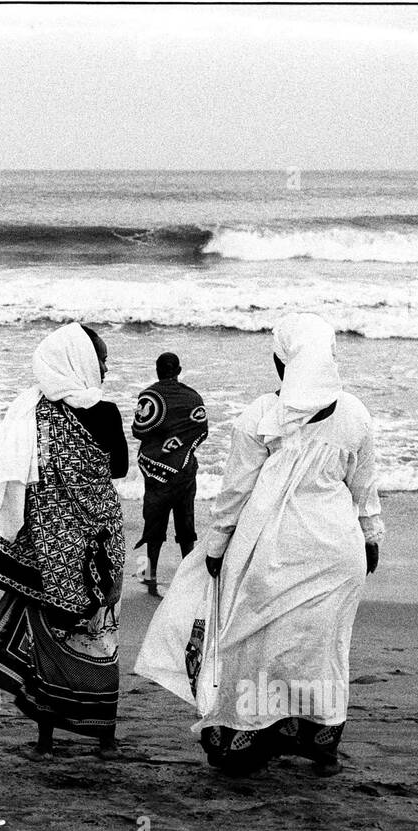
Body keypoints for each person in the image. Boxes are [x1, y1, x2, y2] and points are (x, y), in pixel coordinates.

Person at [140, 313, 383, 777]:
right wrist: (371, 536)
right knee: (323, 648)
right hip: (337, 552)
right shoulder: (355, 413)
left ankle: (247, 740)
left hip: (268, 553)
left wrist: (214, 546)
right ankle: (321, 743)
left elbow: (234, 493)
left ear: (283, 362)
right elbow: (365, 488)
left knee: (255, 648)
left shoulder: (260, 414)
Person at [0, 323, 128, 760]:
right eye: (99, 358)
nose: (105, 365)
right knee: (100, 636)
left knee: (48, 642)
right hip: (100, 544)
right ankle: (104, 738)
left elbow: (8, 481)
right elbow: (118, 468)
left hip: (49, 551)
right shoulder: (106, 412)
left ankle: (45, 742)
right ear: (78, 362)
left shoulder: (33, 414)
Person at [131, 351, 209, 597]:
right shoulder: (193, 396)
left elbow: (138, 430)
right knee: (186, 524)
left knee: (154, 523)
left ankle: (148, 577)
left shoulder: (150, 395)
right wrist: (179, 448)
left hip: (155, 472)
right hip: (184, 470)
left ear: (157, 369)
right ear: (179, 370)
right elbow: (202, 430)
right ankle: (187, 579)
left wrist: (162, 444)